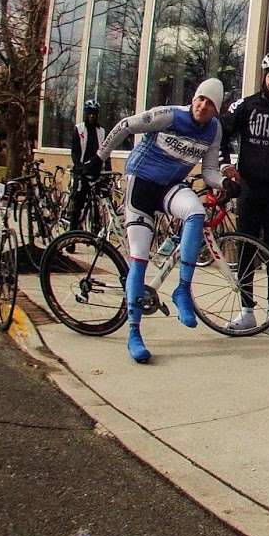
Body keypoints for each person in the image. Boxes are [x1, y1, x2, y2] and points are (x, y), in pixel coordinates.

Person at [97, 80, 228, 364]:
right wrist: (100, 157)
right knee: (140, 258)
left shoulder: (214, 130)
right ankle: (134, 334)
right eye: (201, 100)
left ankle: (183, 290)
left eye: (210, 105)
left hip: (169, 186)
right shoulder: (169, 115)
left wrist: (226, 183)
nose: (203, 107)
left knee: (195, 212)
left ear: (216, 111)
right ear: (194, 98)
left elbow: (209, 171)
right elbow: (125, 126)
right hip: (141, 185)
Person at [220, 51, 269, 332]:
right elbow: (221, 134)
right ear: (265, 77)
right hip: (249, 189)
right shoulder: (247, 105)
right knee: (245, 249)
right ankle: (246, 310)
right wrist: (226, 166)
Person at [65, 98, 107, 232]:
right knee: (78, 204)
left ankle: (95, 235)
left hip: (96, 171)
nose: (92, 116)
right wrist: (78, 166)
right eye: (90, 113)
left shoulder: (101, 131)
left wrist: (108, 169)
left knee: (97, 205)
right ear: (86, 113)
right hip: (82, 171)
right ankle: (71, 236)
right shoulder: (79, 129)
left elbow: (105, 151)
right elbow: (75, 151)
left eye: (94, 113)